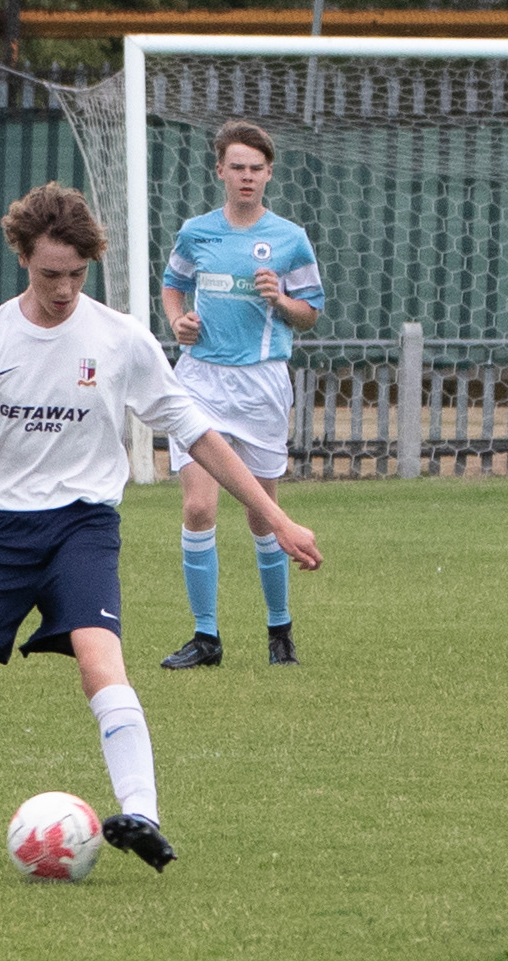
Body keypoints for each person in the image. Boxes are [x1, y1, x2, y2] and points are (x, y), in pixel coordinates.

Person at [0, 183, 323, 877]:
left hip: (83, 528)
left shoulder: (119, 338)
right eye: (50, 274)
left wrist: (277, 518)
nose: (64, 289)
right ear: (22, 258)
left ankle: (142, 815)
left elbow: (196, 431)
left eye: (76, 274)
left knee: (101, 666)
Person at [159, 120, 326, 671]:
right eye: (237, 167)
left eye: (256, 168)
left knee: (262, 514)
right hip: (200, 381)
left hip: (260, 383)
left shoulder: (289, 238)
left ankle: (280, 630)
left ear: (269, 173)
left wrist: (280, 300)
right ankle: (205, 637)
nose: (247, 176)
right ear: (221, 171)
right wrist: (178, 320)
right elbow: (173, 285)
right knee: (198, 506)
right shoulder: (196, 232)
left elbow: (310, 313)